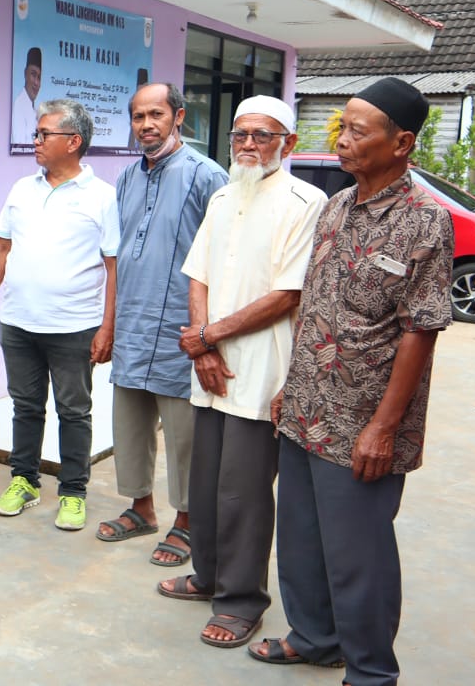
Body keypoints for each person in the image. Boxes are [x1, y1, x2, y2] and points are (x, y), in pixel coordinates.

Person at [249, 78, 452, 686]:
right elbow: (316, 306)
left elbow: (420, 331)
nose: (341, 139)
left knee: (358, 556)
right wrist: (293, 383)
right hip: (307, 407)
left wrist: (384, 427)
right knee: (302, 540)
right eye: (342, 126)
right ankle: (314, 638)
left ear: (402, 143)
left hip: (363, 423)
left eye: (357, 131)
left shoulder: (426, 223)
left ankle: (369, 672)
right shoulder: (335, 206)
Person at [155, 96, 326, 650]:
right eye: (240, 135)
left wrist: (209, 338)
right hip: (210, 367)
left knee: (244, 494)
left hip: (261, 372)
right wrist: (203, 347)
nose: (249, 145)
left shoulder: (307, 201)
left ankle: (241, 602)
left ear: (288, 144)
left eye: (262, 135)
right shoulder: (225, 196)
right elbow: (198, 274)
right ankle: (206, 576)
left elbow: (288, 293)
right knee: (203, 485)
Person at [97, 82, 228, 565]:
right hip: (133, 322)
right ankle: (140, 508)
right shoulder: (128, 178)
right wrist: (108, 324)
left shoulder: (208, 176)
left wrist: (210, 333)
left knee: (184, 434)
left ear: (178, 117)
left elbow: (222, 259)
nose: (146, 125)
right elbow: (118, 255)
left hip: (180, 328)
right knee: (129, 423)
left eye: (156, 114)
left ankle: (188, 522)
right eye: (137, 117)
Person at [0, 99, 117, 530]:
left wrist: (108, 326)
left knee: (74, 410)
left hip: (74, 326)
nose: (35, 141)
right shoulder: (22, 189)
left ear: (73, 142)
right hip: (19, 322)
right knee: (26, 407)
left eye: (43, 135)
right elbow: (1, 247)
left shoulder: (102, 197)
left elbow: (114, 266)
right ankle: (25, 481)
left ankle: (73, 492)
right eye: (35, 134)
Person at [10, 46, 42, 150]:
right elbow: (20, 147)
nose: (36, 83)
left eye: (39, 77)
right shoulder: (19, 105)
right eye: (33, 74)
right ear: (25, 73)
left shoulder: (34, 110)